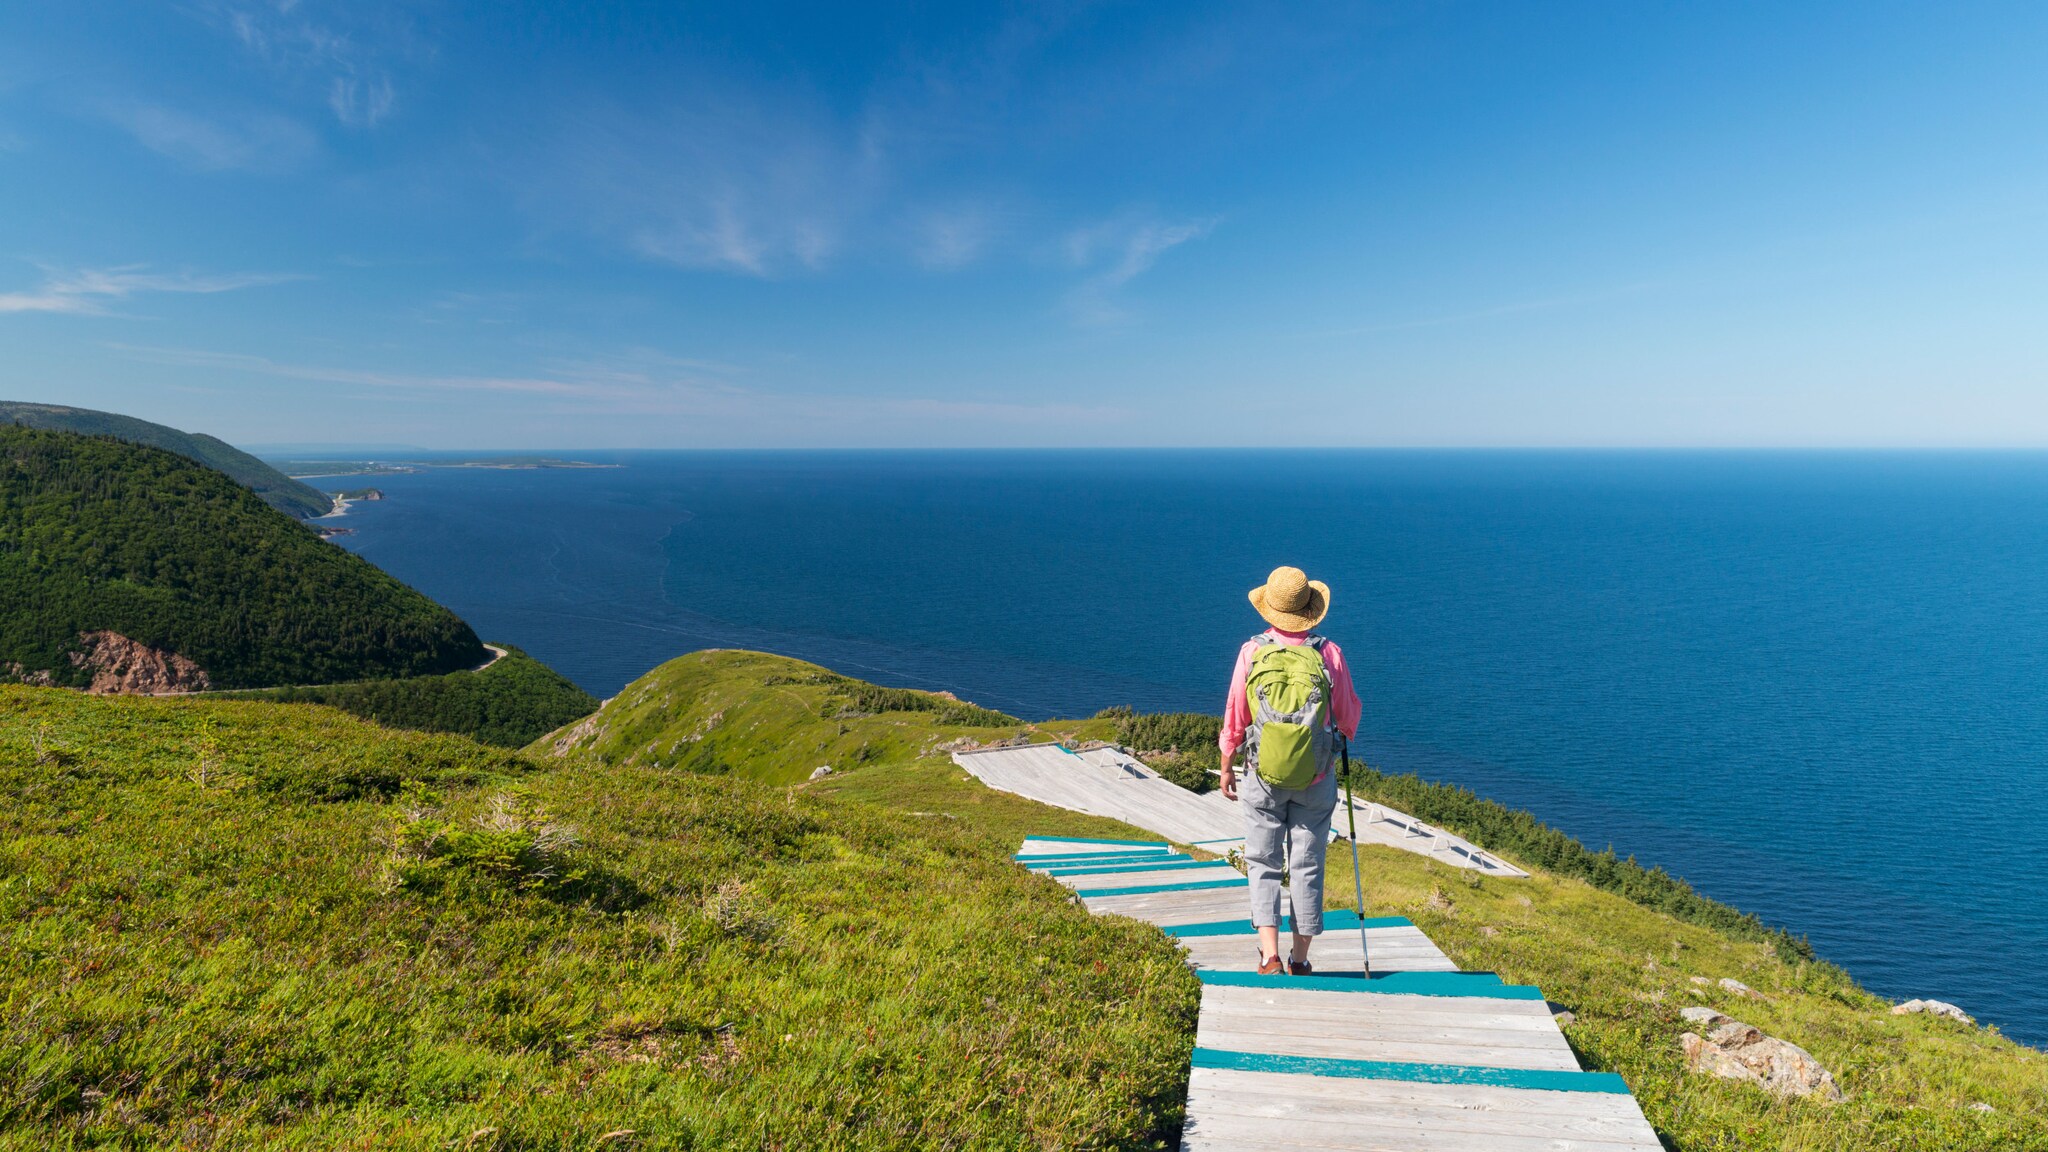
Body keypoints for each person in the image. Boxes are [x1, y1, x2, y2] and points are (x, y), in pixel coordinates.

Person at [1218, 566, 1362, 976]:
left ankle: (1270, 956)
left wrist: (1227, 765)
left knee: (1262, 860)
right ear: (1309, 609)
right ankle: (1300, 958)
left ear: (1270, 609)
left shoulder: (1252, 652)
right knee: (1307, 863)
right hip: (1315, 778)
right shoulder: (1328, 653)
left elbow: (1235, 716)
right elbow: (1348, 718)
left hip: (1261, 775)